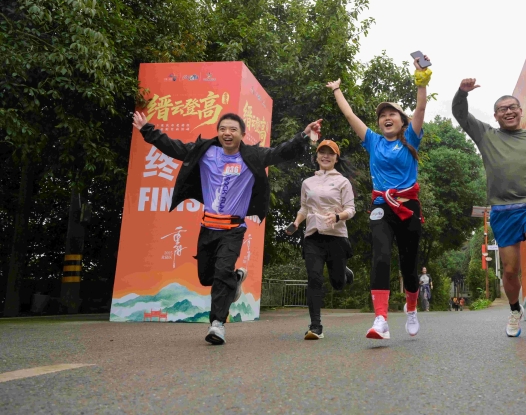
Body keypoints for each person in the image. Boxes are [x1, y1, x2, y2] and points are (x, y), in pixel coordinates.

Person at [132, 111, 320, 345]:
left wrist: (304, 135)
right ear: (218, 132)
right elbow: (174, 147)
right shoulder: (206, 152)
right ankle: (235, 278)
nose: (227, 133)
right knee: (206, 277)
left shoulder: (253, 156)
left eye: (233, 129)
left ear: (242, 134)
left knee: (221, 274)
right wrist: (146, 129)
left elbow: (281, 152)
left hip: (233, 229)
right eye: (223, 129)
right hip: (207, 227)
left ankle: (217, 324)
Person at [451, 78, 526, 338]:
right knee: (510, 270)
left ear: (520, 111)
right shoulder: (486, 135)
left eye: (513, 107)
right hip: (502, 210)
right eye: (502, 109)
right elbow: (460, 114)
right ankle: (515, 309)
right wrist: (462, 92)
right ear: (495, 116)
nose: (508, 111)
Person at [326, 54, 431, 339]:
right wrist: (337, 90)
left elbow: (421, 106)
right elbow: (350, 116)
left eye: (392, 114)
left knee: (409, 266)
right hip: (382, 205)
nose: (386, 118)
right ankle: (381, 319)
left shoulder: (411, 138)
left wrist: (421, 78)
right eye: (382, 115)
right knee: (381, 256)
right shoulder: (373, 141)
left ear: (402, 121)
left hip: (409, 207)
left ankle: (411, 309)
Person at [287, 140, 356, 340]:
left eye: (330, 153)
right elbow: (304, 208)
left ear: (336, 158)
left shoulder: (343, 182)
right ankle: (315, 326)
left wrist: (337, 217)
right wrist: (296, 223)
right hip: (313, 236)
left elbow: (351, 209)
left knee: (338, 284)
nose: (326, 156)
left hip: (336, 236)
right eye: (322, 152)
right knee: (314, 278)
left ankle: (344, 272)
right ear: (316, 157)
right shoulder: (307, 182)